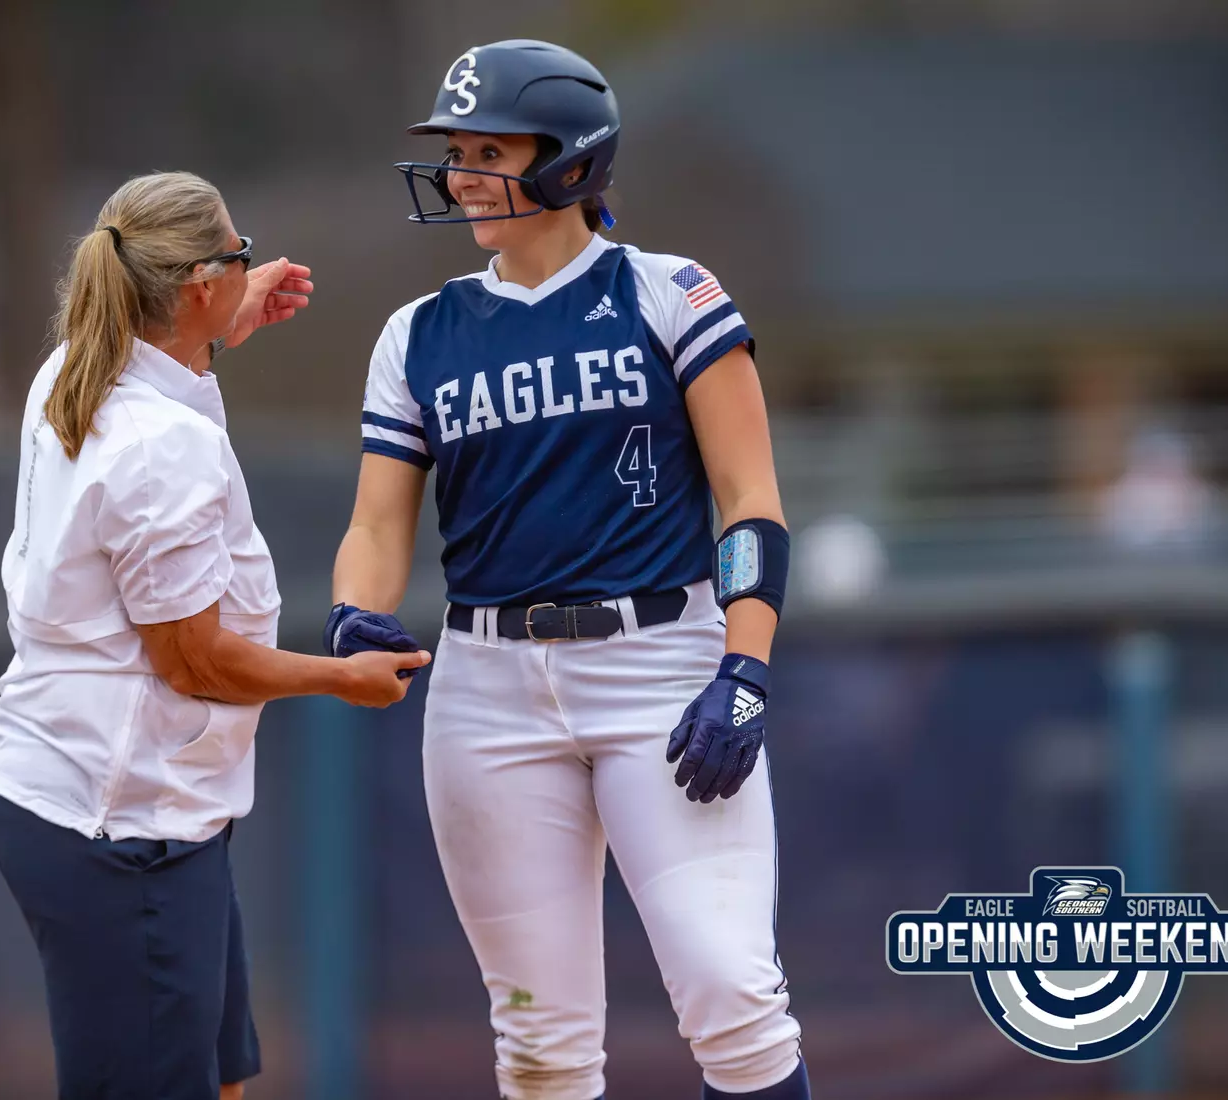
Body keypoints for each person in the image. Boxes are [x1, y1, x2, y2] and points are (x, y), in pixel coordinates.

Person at [329, 39, 809, 1100]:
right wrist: (354, 610)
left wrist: (744, 669)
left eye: (489, 148)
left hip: (662, 665)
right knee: (542, 1048)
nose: (461, 173)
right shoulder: (418, 334)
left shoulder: (669, 293)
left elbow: (750, 498)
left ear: (571, 161)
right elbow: (376, 524)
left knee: (733, 994)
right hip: (487, 685)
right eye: (457, 150)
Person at [0, 170, 431, 1100]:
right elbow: (194, 660)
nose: (253, 265)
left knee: (218, 1073)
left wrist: (226, 316)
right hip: (119, 823)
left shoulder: (75, 362)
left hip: (128, 802)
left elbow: (160, 397)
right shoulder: (159, 446)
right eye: (240, 255)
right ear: (193, 284)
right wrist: (341, 680)